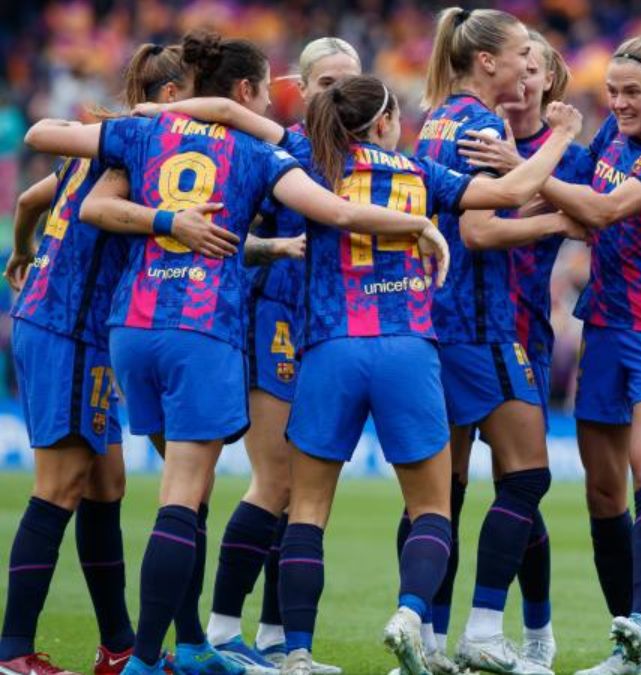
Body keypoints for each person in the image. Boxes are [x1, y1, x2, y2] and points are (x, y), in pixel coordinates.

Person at [24, 29, 448, 675]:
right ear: (257, 91)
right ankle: (149, 657)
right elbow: (335, 212)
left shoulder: (143, 135)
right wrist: (418, 224)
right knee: (185, 496)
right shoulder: (263, 151)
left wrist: (148, 141)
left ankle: (191, 640)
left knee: (175, 492)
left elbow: (46, 145)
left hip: (131, 326)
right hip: (204, 327)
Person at [0, 43, 201, 675]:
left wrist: (22, 251)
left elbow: (33, 199)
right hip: (66, 327)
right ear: (171, 97)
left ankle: (117, 648)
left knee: (107, 483)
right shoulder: (143, 146)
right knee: (59, 487)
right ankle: (12, 652)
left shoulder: (107, 145)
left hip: (66, 324)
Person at [414, 9, 584, 675]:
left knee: (444, 492)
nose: (524, 65)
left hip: (435, 318)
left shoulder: (436, 117)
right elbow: (481, 231)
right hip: (481, 322)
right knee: (528, 475)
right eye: (519, 53)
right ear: (486, 61)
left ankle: (425, 635)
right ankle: (485, 627)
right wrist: (555, 216)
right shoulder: (482, 123)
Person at [536, 34, 641, 675]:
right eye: (612, 91)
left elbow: (605, 210)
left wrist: (532, 171)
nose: (619, 102)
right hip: (603, 328)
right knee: (603, 496)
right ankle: (626, 652)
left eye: (632, 92)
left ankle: (639, 623)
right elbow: (581, 190)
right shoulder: (611, 133)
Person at [198, 36, 361, 675]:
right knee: (277, 481)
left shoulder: (368, 157)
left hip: (330, 328)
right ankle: (222, 627)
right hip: (274, 320)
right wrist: (274, 250)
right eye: (326, 85)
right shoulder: (274, 150)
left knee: (304, 495)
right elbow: (225, 234)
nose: (338, 98)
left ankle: (271, 638)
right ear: (302, 86)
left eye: (349, 85)